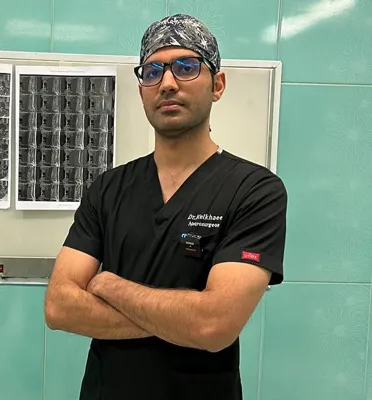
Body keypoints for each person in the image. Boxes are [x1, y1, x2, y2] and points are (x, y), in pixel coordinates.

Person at [44, 13, 288, 400]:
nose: (168, 83)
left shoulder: (254, 191)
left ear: (217, 85)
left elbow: (214, 326)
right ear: (142, 89)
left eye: (186, 67)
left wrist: (109, 285)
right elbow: (59, 307)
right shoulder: (108, 189)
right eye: (153, 71)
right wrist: (179, 320)